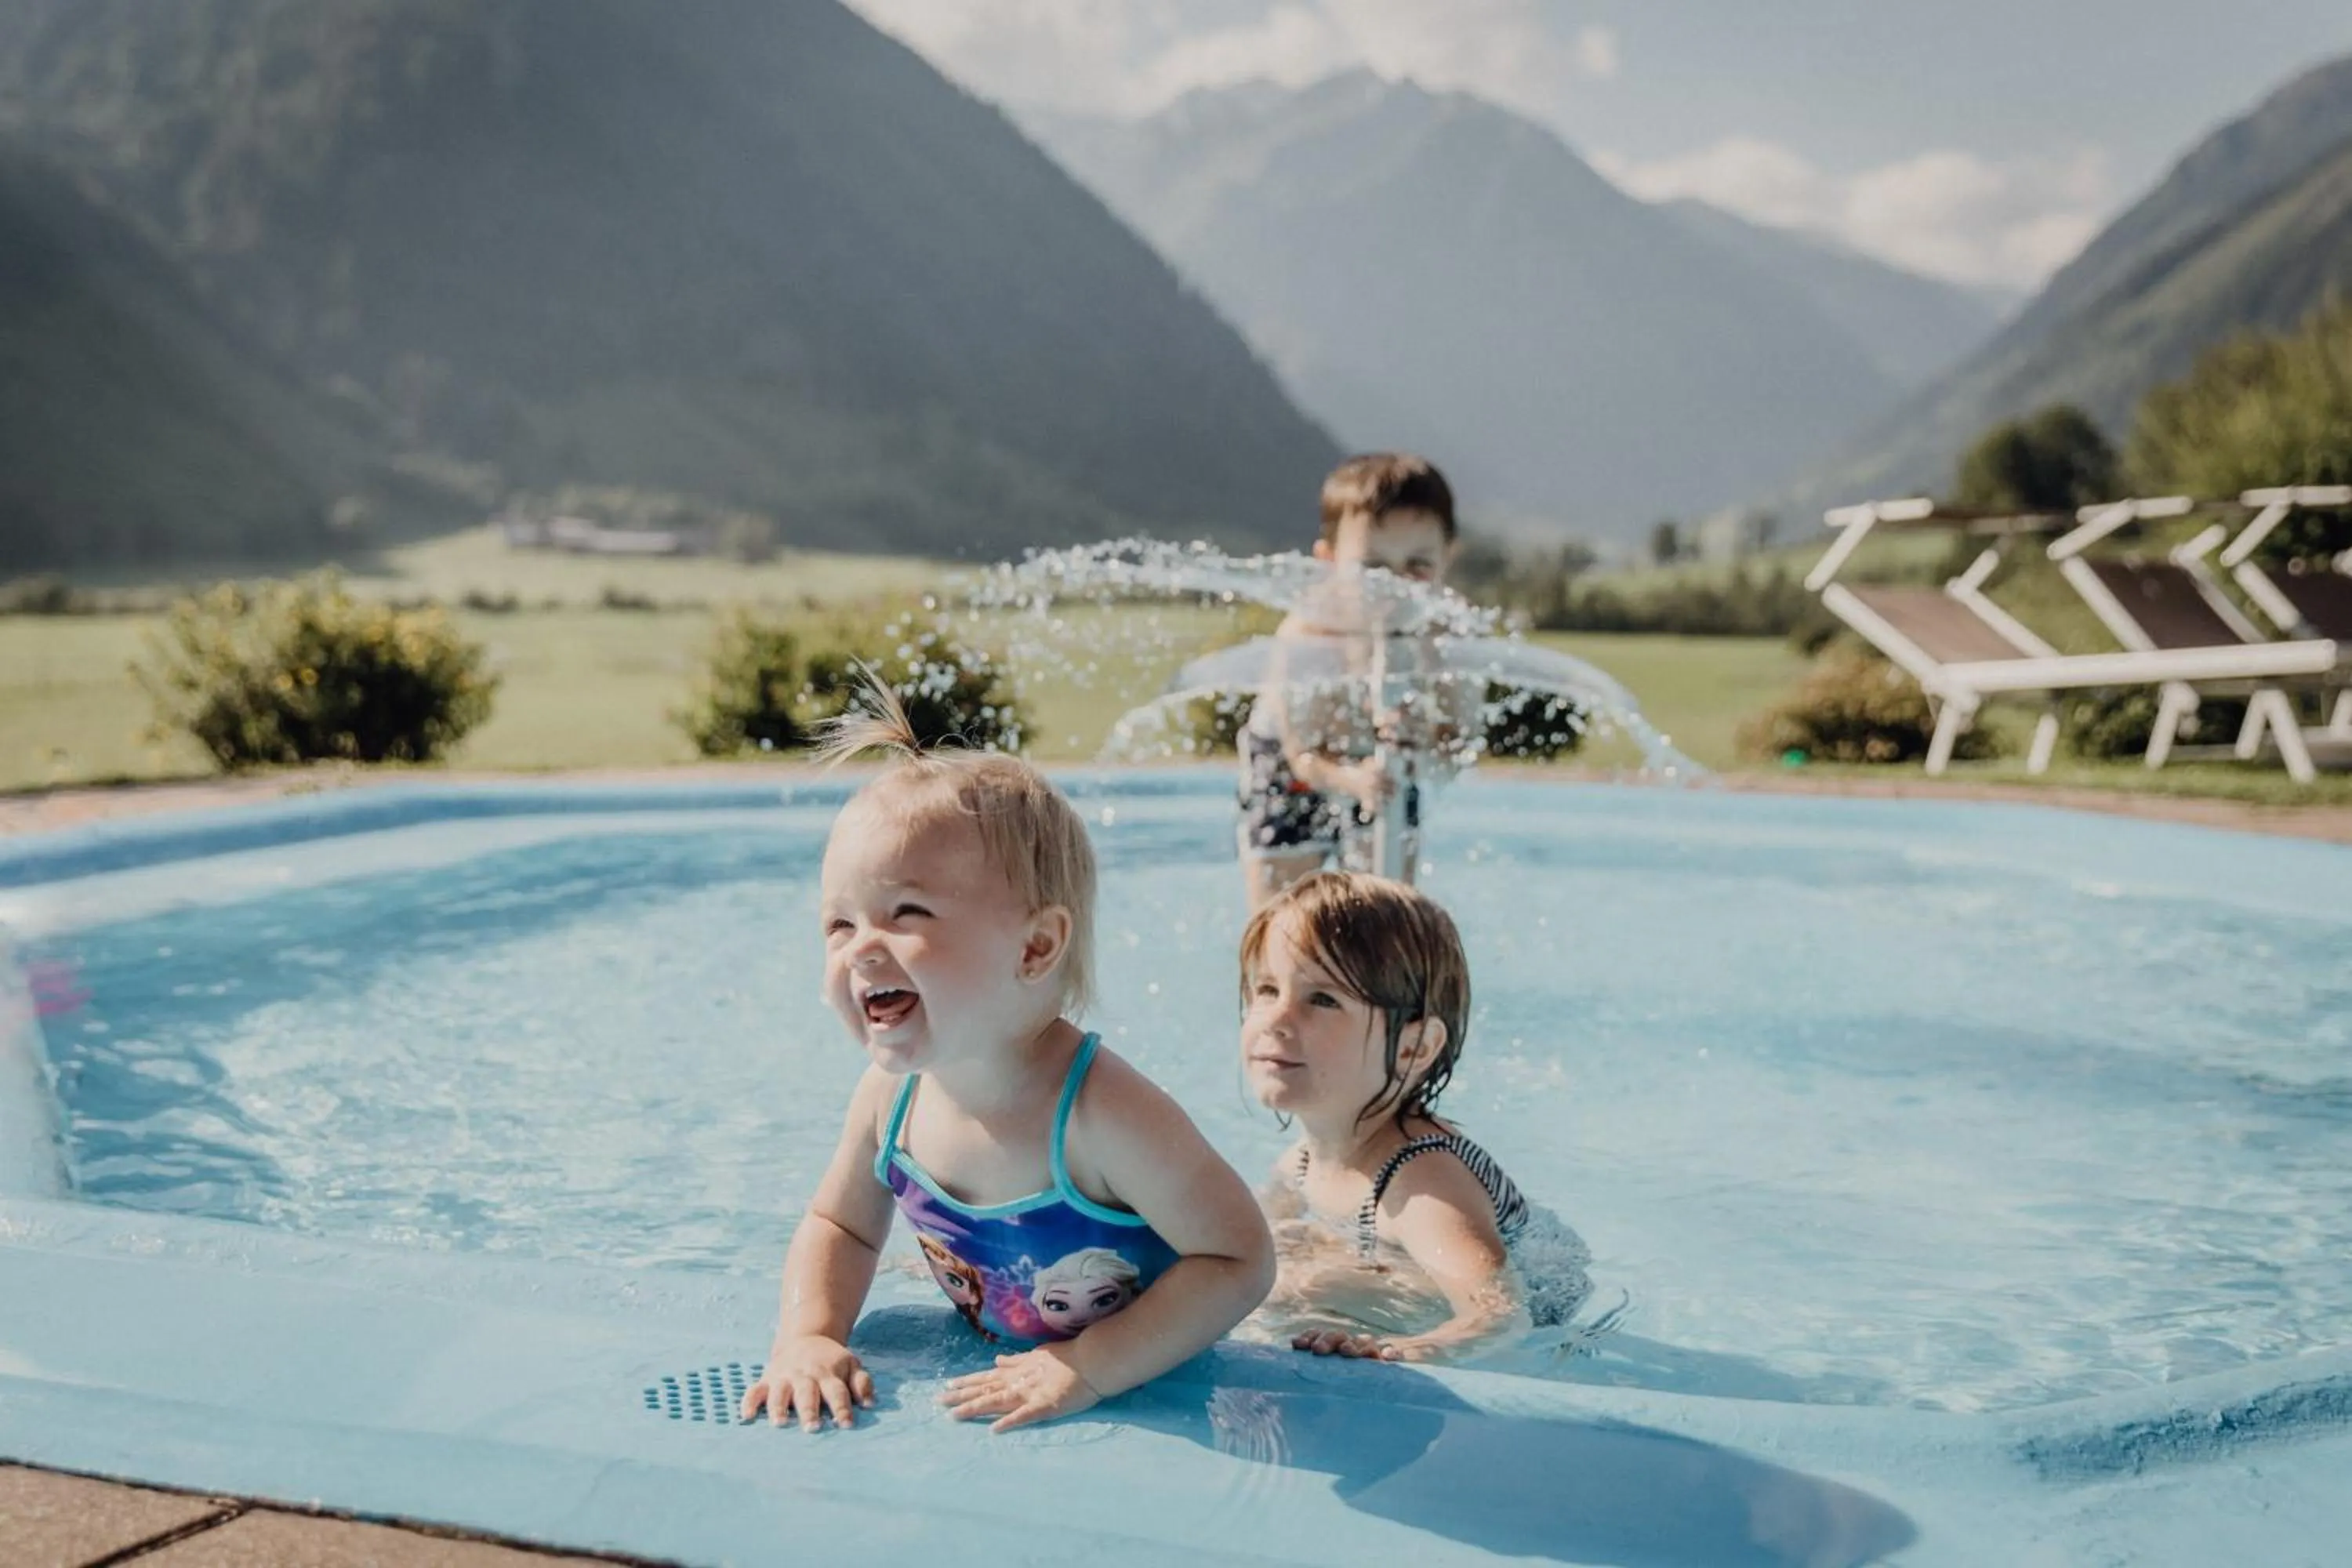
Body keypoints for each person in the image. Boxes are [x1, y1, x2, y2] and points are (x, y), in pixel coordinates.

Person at [741, 672, 1274, 1434]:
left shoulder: (1099, 1113)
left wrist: (1091, 1364)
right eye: (840, 923)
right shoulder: (890, 1099)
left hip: (1153, 1381)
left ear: (1035, 947)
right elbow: (841, 1225)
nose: (860, 948)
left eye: (906, 913)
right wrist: (809, 1336)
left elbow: (1239, 1260)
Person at [1240, 871, 1589, 1362]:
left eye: (1322, 999)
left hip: (1540, 1339)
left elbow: (1499, 1314)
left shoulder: (1422, 1184)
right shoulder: (1300, 1161)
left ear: (1414, 1047)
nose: (1275, 1020)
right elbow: (1238, 1250)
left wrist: (1400, 1350)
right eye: (1267, 989)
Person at [1238, 452, 1479, 909]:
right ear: (1329, 561)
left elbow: (1459, 742)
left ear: (1448, 557)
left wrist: (1426, 740)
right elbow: (1303, 755)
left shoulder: (1448, 639)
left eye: (1418, 566)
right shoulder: (1308, 634)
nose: (1395, 586)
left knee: (1392, 915)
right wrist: (1350, 779)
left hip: (1383, 770)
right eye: (1373, 568)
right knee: (1279, 921)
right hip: (1292, 768)